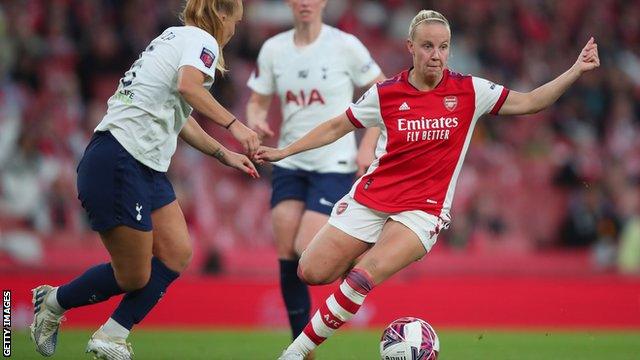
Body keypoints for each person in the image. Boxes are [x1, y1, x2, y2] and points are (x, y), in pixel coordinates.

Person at [255, 9, 600, 359]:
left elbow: (529, 102)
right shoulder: (386, 94)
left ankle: (295, 353)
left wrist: (574, 71)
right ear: (411, 47)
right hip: (372, 200)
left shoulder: (469, 91)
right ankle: (367, 257)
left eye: (443, 47)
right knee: (310, 271)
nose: (436, 55)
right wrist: (286, 150)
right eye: (428, 47)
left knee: (361, 278)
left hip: (423, 211)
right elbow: (335, 127)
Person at [29, 1, 259, 359]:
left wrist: (221, 152)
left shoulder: (173, 37)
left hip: (141, 163)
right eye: (236, 22)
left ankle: (112, 335)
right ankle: (54, 302)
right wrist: (236, 125)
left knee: (177, 253)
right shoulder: (203, 42)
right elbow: (188, 87)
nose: (234, 31)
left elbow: (179, 114)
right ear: (223, 15)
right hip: (120, 158)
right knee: (133, 275)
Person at [245, 0, 385, 349]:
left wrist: (367, 147)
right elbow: (257, 101)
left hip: (333, 164)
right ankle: (299, 350)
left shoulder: (345, 45)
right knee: (287, 254)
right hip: (290, 162)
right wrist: (255, 119)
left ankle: (361, 255)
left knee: (306, 250)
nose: (305, 2)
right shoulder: (274, 49)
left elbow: (386, 96)